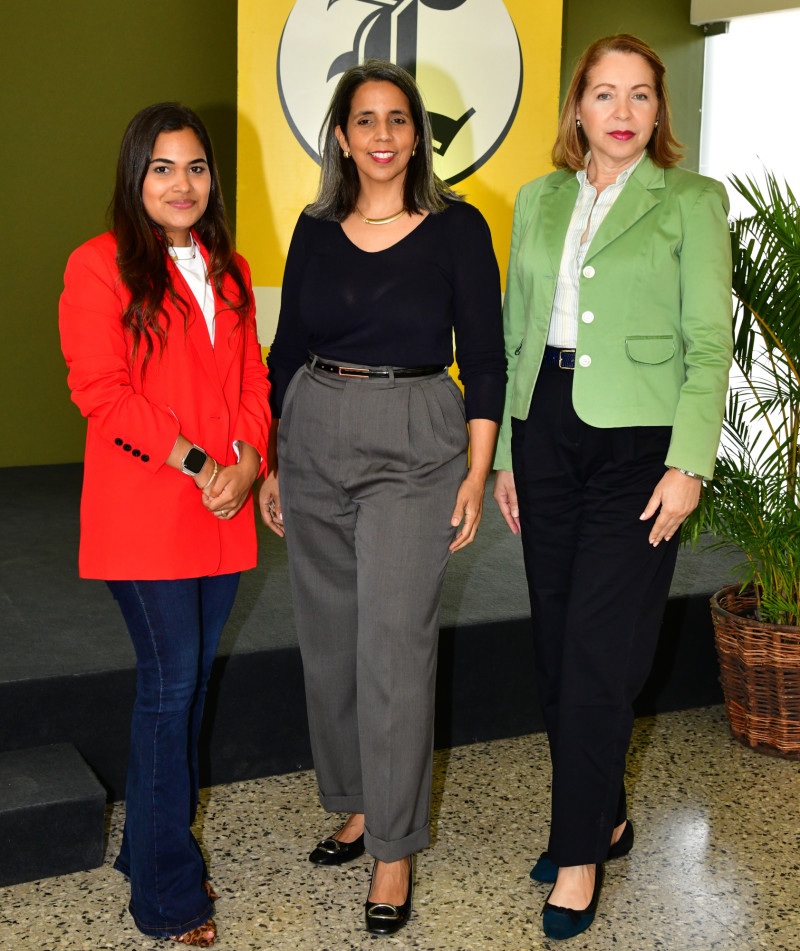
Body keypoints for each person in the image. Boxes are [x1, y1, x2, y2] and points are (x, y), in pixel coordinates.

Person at [492, 34, 733, 941]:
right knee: (557, 644)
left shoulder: (693, 201)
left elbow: (710, 341)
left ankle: (580, 848)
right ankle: (608, 813)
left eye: (640, 94)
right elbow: (520, 331)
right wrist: (513, 453)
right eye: (604, 93)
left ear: (658, 109)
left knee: (600, 647)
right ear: (578, 110)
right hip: (545, 427)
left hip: (641, 442)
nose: (623, 111)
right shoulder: (539, 197)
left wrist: (690, 460)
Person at [260, 60, 505, 934]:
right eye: (365, 120)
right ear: (340, 136)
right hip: (314, 422)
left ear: (419, 135)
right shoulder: (316, 227)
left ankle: (394, 848)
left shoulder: (457, 229)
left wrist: (476, 473)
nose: (383, 135)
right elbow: (284, 348)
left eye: (398, 119)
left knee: (394, 645)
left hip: (416, 438)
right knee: (329, 634)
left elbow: (483, 359)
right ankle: (358, 801)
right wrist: (273, 459)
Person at [59, 102, 271, 947]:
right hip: (149, 511)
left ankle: (148, 849)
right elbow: (100, 390)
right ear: (134, 175)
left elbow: (253, 379)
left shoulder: (230, 268)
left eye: (195, 168)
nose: (181, 184)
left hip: (223, 512)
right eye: (162, 168)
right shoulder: (99, 264)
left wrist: (251, 460)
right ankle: (168, 894)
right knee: (168, 687)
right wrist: (200, 465)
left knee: (185, 691)